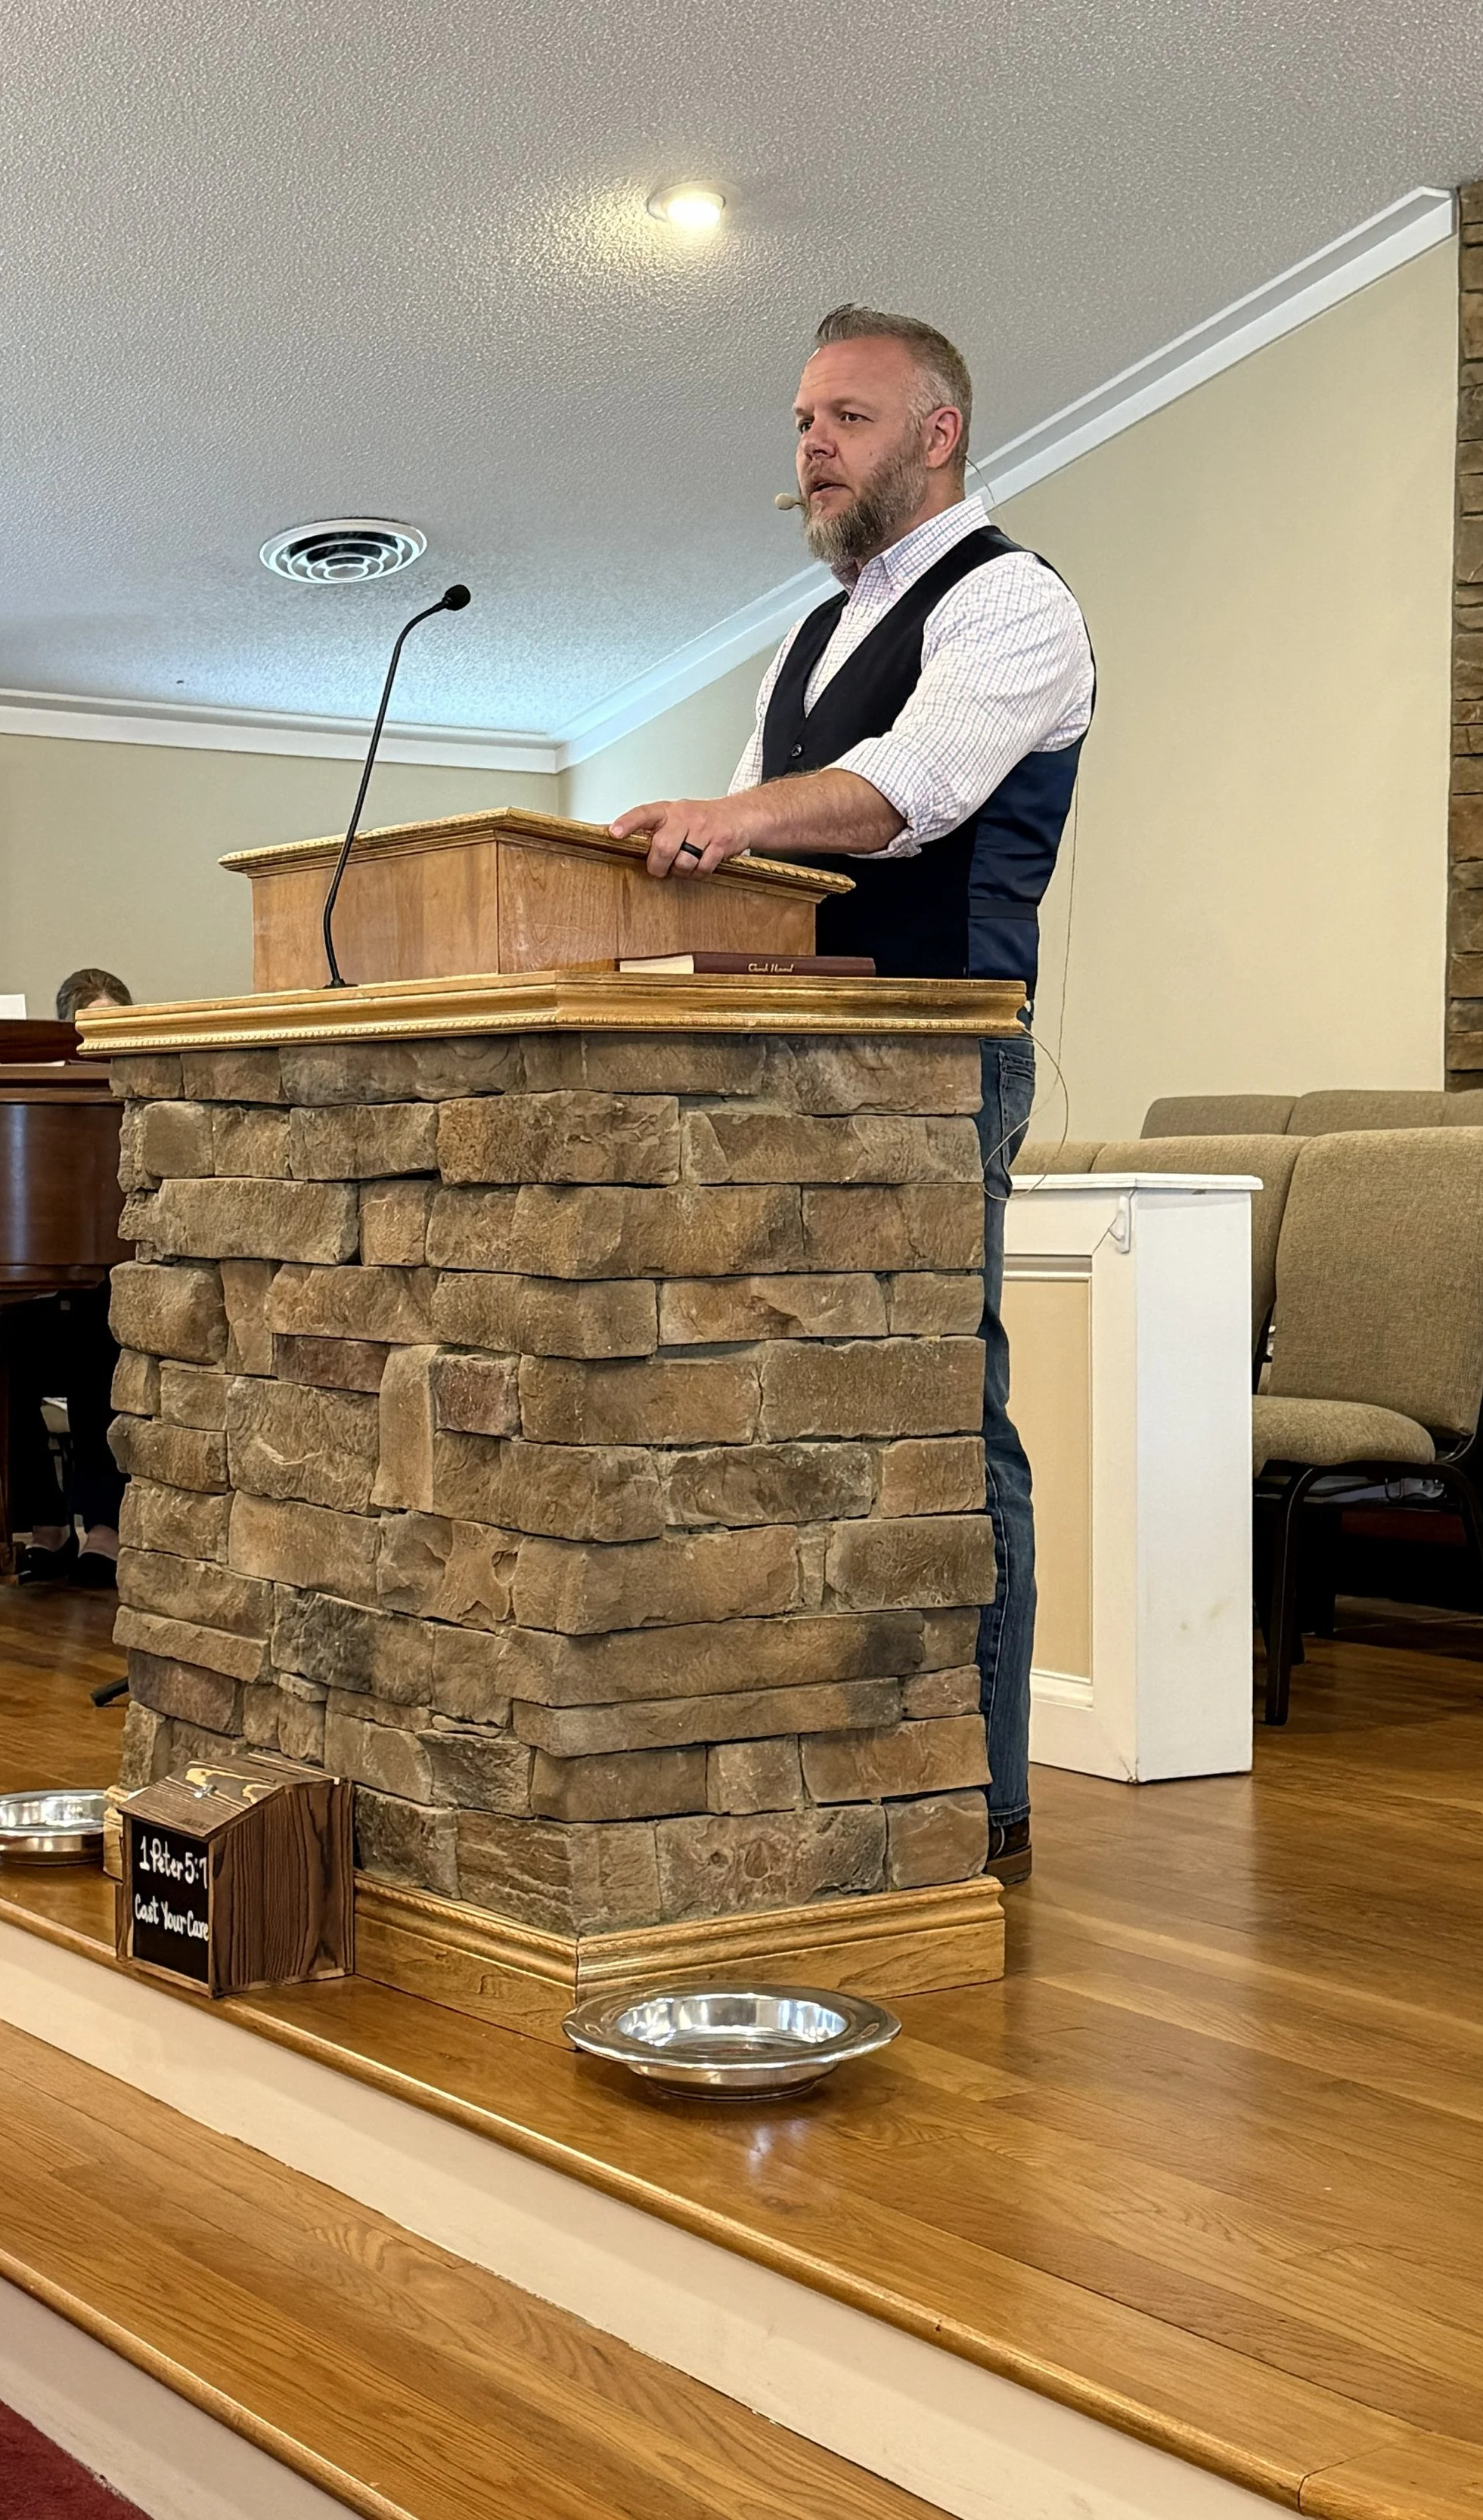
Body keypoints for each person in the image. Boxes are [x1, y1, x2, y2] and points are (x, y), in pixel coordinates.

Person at [609, 305, 1094, 1886]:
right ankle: (831, 1771)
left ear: (935, 432)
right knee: (803, 1414)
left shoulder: (1014, 603)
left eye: (845, 417)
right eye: (801, 419)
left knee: (946, 1419)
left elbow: (910, 793)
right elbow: (761, 858)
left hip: (938, 1064)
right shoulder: (805, 636)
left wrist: (726, 813)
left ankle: (982, 1794)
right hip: (794, 1070)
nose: (809, 445)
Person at [5, 968, 134, 1587]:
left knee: (97, 1343)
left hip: (114, 1286)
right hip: (46, 1284)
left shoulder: (141, 1102)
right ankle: (44, 1524)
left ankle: (104, 1528)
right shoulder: (41, 1108)